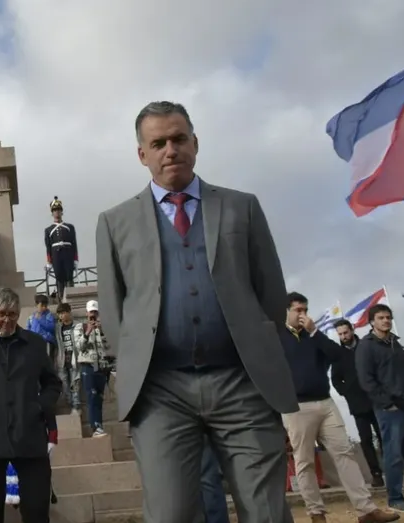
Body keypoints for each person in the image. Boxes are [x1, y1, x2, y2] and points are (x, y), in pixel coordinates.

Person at [94, 100, 298, 522]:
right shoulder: (115, 222)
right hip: (160, 392)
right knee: (169, 513)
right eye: (158, 143)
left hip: (242, 383)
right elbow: (113, 310)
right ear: (142, 154)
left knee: (266, 511)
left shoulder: (242, 207)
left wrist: (257, 351)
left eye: (179, 139)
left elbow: (271, 292)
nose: (170, 150)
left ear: (195, 143)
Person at [278, 293, 395, 522]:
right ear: (287, 311)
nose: (303, 314)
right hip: (296, 407)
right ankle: (316, 513)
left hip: (326, 403)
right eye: (298, 310)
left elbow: (339, 356)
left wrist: (314, 332)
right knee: (305, 461)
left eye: (305, 310)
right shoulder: (277, 337)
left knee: (345, 454)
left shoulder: (314, 335)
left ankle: (366, 510)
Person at [0, 288, 62, 523]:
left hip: (30, 435)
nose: (6, 320)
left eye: (12, 314)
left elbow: (52, 383)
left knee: (37, 508)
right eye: (1, 314)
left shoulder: (35, 344)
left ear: (19, 314)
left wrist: (41, 405)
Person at [356, 303, 404, 514]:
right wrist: (386, 403)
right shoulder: (366, 347)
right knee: (394, 454)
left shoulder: (396, 344)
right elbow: (366, 380)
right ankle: (395, 499)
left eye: (388, 317)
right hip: (390, 409)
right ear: (372, 322)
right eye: (381, 318)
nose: (386, 321)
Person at [330, 318, 385, 486]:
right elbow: (336, 380)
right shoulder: (338, 355)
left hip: (376, 400)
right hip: (357, 404)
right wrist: (347, 392)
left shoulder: (366, 347)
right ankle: (376, 473)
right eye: (340, 334)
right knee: (365, 439)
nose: (343, 336)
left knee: (384, 435)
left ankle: (392, 468)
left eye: (345, 332)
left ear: (352, 330)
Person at [73, 300, 113, 437]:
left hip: (102, 366)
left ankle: (99, 426)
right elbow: (79, 347)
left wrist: (101, 332)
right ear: (86, 313)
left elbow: (110, 347)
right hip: (88, 365)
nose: (93, 315)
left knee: (99, 398)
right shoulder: (80, 327)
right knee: (91, 396)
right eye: (91, 312)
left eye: (95, 312)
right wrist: (87, 332)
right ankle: (95, 427)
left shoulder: (103, 327)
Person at [44, 197, 78, 301]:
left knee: (69, 276)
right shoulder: (48, 230)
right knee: (59, 276)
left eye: (58, 210)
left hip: (68, 253)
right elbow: (48, 246)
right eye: (55, 210)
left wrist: (75, 259)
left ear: (61, 212)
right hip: (56, 255)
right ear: (52, 213)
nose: (57, 212)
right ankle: (61, 299)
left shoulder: (70, 227)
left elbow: (74, 244)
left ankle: (71, 298)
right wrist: (49, 261)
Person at [53, 302, 79, 410]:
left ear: (69, 312)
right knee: (64, 383)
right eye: (59, 314)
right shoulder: (57, 328)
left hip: (74, 359)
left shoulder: (77, 325)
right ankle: (69, 402)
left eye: (63, 313)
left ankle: (76, 404)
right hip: (62, 359)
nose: (61, 316)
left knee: (75, 382)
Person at [26, 295, 57, 359]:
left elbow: (51, 327)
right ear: (36, 305)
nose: (44, 308)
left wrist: (40, 319)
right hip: (35, 342)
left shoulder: (49, 315)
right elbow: (28, 330)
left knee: (47, 360)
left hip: (46, 341)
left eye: (45, 306)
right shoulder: (31, 317)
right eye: (42, 306)